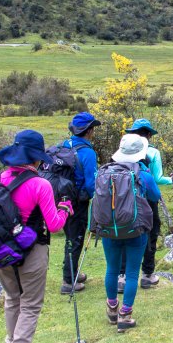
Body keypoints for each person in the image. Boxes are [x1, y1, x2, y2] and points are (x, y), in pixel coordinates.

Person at [0, 130, 73, 343]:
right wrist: (65, 208)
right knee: (31, 304)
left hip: (1, 249)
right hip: (31, 249)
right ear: (36, 158)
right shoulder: (40, 184)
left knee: (12, 299)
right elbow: (55, 225)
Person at [99, 134, 162, 332]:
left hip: (109, 229)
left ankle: (111, 309)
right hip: (135, 230)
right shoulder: (143, 175)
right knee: (133, 272)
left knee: (112, 268)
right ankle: (125, 314)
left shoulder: (103, 172)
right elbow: (155, 196)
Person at [117, 119, 173, 291]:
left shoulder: (121, 152)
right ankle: (147, 275)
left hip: (124, 199)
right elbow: (157, 179)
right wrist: (172, 180)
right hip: (147, 200)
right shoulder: (153, 153)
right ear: (149, 134)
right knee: (150, 232)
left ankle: (122, 276)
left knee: (124, 233)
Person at [59, 112, 100, 294]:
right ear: (89, 131)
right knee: (76, 238)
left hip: (61, 199)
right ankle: (68, 281)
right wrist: (94, 197)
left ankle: (73, 271)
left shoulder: (63, 146)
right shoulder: (87, 153)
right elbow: (92, 183)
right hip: (78, 201)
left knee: (70, 236)